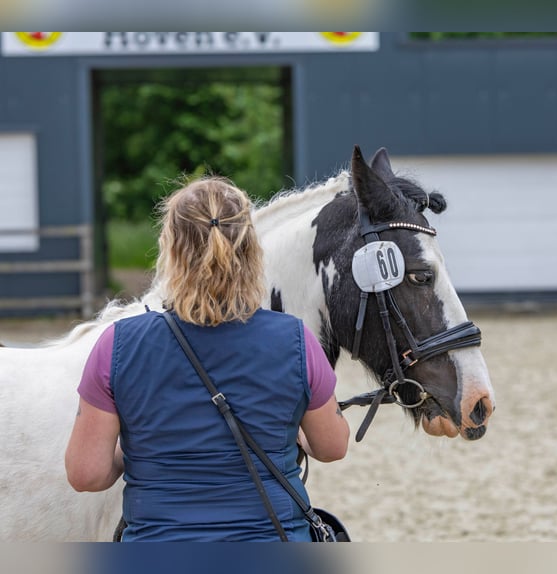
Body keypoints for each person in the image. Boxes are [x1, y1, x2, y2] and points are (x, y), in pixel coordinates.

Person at [65, 176, 349, 541]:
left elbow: (86, 474)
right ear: (251, 252)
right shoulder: (296, 340)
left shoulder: (117, 346)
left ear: (170, 250)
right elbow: (332, 447)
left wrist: (133, 450)